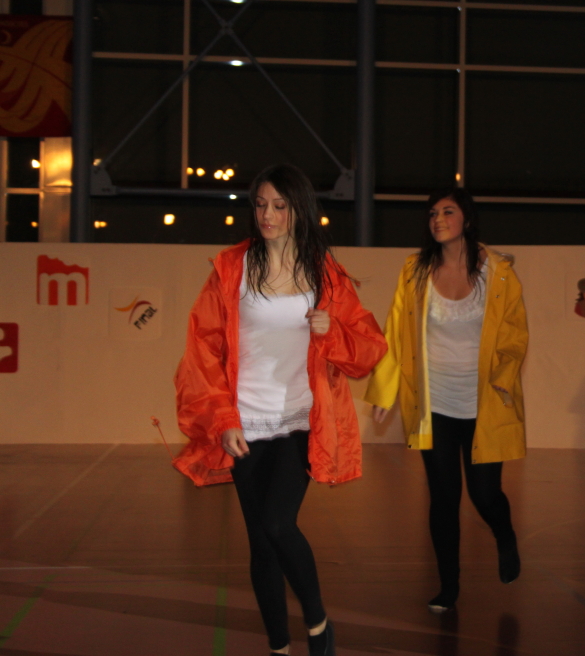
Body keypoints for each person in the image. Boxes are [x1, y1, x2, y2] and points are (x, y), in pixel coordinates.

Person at [173, 164, 387, 656]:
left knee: (277, 524)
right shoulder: (232, 268)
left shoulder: (324, 272)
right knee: (261, 544)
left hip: (299, 421)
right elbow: (202, 351)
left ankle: (318, 625)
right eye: (260, 205)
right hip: (245, 424)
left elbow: (369, 348)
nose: (267, 215)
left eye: (279, 205)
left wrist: (332, 330)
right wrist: (224, 419)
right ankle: (278, 646)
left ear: (298, 209)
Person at [365, 187, 528, 613]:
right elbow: (396, 330)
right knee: (443, 497)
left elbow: (514, 335)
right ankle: (448, 587)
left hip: (483, 404)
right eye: (433, 213)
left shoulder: (499, 273)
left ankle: (504, 534)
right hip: (434, 404)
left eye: (448, 211)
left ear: (467, 220)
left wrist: (503, 378)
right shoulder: (415, 270)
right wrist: (386, 390)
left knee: (484, 495)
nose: (438, 219)